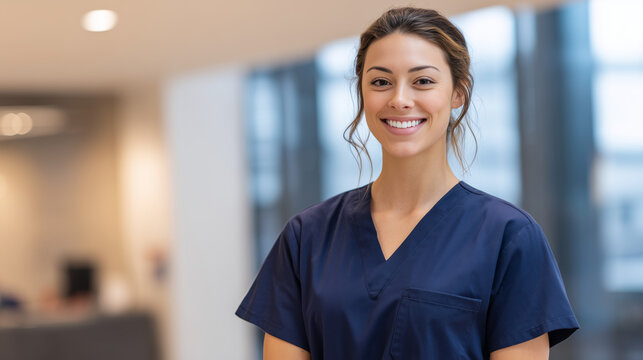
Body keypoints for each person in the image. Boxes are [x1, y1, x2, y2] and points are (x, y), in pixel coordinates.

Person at [236, 7, 579, 360]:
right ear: (363, 94)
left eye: (423, 81)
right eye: (381, 82)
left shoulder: (509, 237)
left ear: (458, 93)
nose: (399, 99)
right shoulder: (306, 237)